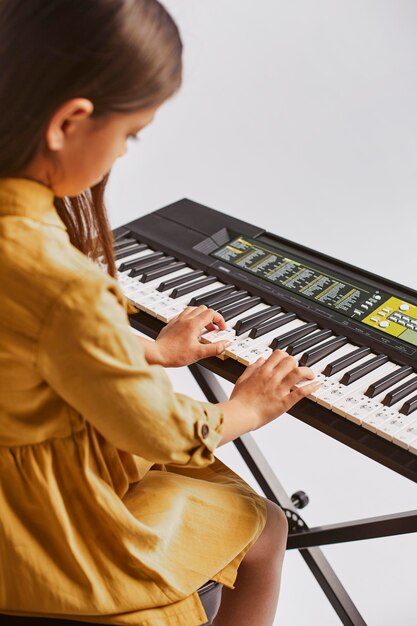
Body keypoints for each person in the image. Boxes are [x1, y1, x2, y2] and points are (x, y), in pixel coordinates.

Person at [0, 1, 320, 625]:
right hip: (49, 542)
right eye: (129, 134)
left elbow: (24, 348)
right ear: (69, 122)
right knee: (268, 525)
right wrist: (246, 407)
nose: (122, 154)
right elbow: (154, 429)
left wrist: (151, 351)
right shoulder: (59, 278)